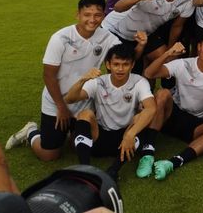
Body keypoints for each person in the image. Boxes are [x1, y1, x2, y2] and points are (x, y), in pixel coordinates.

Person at [5, 0, 121, 161]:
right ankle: (31, 131)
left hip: (83, 101)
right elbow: (48, 75)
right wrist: (61, 107)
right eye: (87, 14)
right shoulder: (61, 38)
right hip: (56, 101)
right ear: (78, 15)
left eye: (97, 15)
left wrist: (141, 45)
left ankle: (69, 133)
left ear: (103, 16)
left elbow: (124, 56)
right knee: (50, 155)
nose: (92, 19)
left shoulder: (106, 37)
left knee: (81, 146)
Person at [136, 37, 203, 180]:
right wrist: (168, 53)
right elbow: (149, 73)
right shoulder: (183, 64)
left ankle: (173, 162)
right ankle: (147, 153)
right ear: (199, 47)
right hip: (173, 114)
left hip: (197, 123)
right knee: (163, 93)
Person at [65, 43, 156, 181]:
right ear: (108, 65)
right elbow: (70, 98)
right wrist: (83, 79)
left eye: (125, 64)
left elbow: (151, 108)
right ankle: (86, 170)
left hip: (125, 139)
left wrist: (131, 133)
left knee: (140, 117)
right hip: (99, 137)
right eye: (116, 64)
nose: (120, 69)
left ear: (132, 65)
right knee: (85, 114)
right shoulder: (99, 82)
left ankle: (113, 171)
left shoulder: (139, 82)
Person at [102, 0, 195, 71]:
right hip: (115, 30)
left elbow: (177, 26)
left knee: (166, 60)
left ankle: (153, 86)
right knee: (120, 70)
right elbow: (118, 7)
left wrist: (170, 50)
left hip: (144, 35)